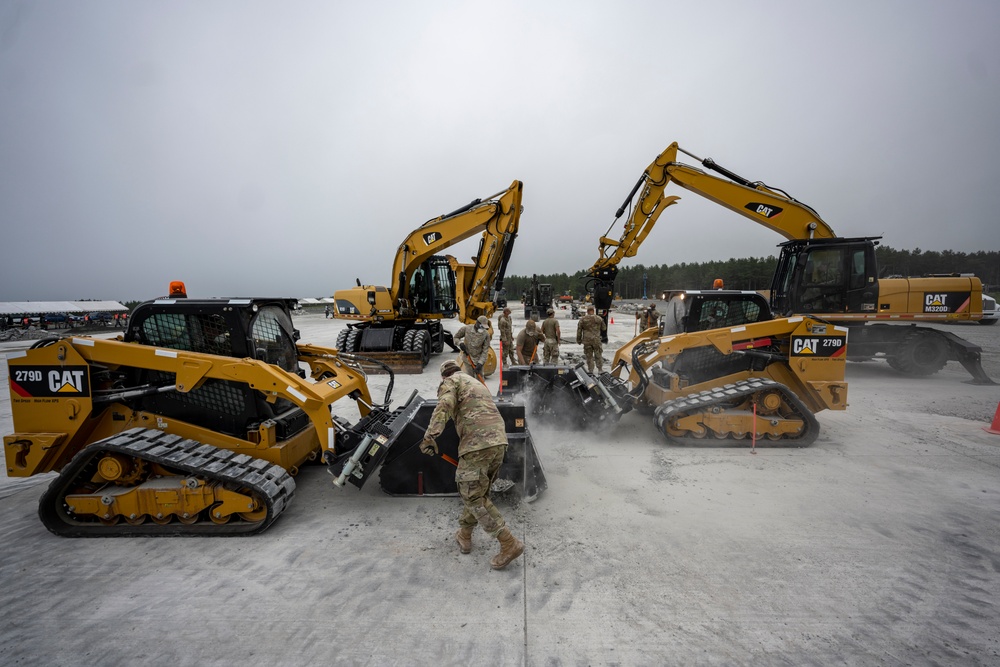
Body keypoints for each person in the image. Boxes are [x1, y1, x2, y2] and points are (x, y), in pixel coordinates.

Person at [420, 359, 524, 570]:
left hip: (477, 444)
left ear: (444, 376)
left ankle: (508, 543)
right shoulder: (474, 381)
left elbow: (445, 404)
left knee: (472, 496)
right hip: (499, 442)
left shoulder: (450, 382)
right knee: (479, 494)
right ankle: (464, 535)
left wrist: (430, 436)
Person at [454, 315, 491, 380]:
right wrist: (460, 343)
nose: (482, 328)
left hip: (478, 359)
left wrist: (480, 363)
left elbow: (485, 350)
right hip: (467, 358)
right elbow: (456, 337)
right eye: (481, 326)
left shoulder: (486, 334)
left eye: (484, 327)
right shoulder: (466, 329)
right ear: (477, 323)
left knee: (480, 380)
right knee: (470, 379)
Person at [576, 306, 607, 373]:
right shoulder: (599, 318)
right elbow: (604, 328)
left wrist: (579, 340)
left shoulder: (583, 319)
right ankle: (600, 369)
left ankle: (590, 370)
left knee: (589, 356)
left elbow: (579, 330)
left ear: (587, 311)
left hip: (587, 340)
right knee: (598, 354)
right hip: (596, 340)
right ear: (593, 310)